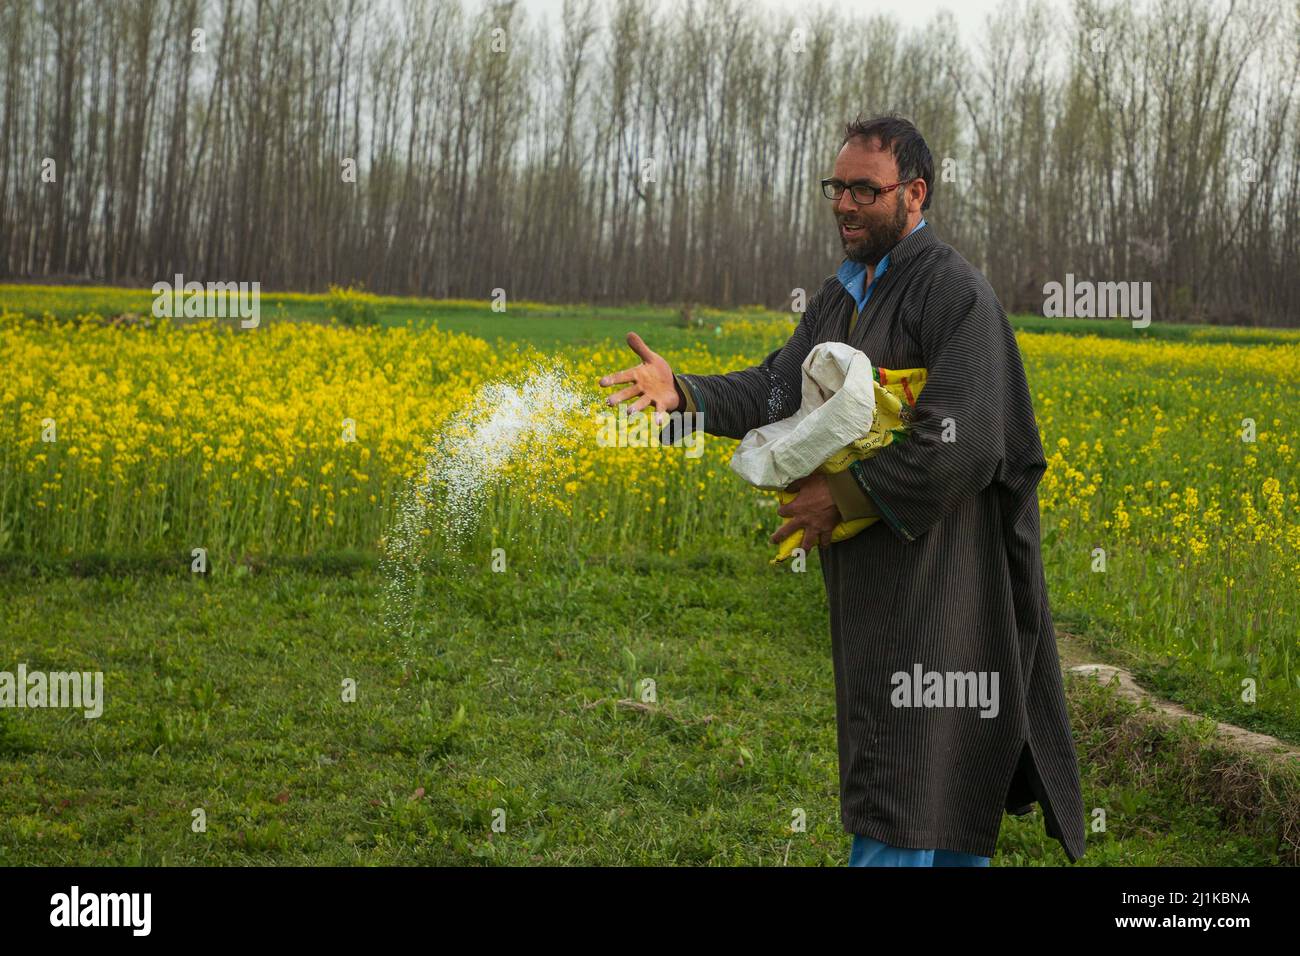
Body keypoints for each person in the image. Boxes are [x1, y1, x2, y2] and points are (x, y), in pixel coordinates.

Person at [598, 114, 1086, 867]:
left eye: (865, 188)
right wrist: (684, 394)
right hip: (877, 585)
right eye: (837, 187)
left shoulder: (954, 296)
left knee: (906, 778)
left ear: (914, 194)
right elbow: (775, 389)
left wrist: (845, 495)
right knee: (932, 788)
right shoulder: (841, 296)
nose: (845, 204)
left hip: (945, 585)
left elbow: (969, 445)